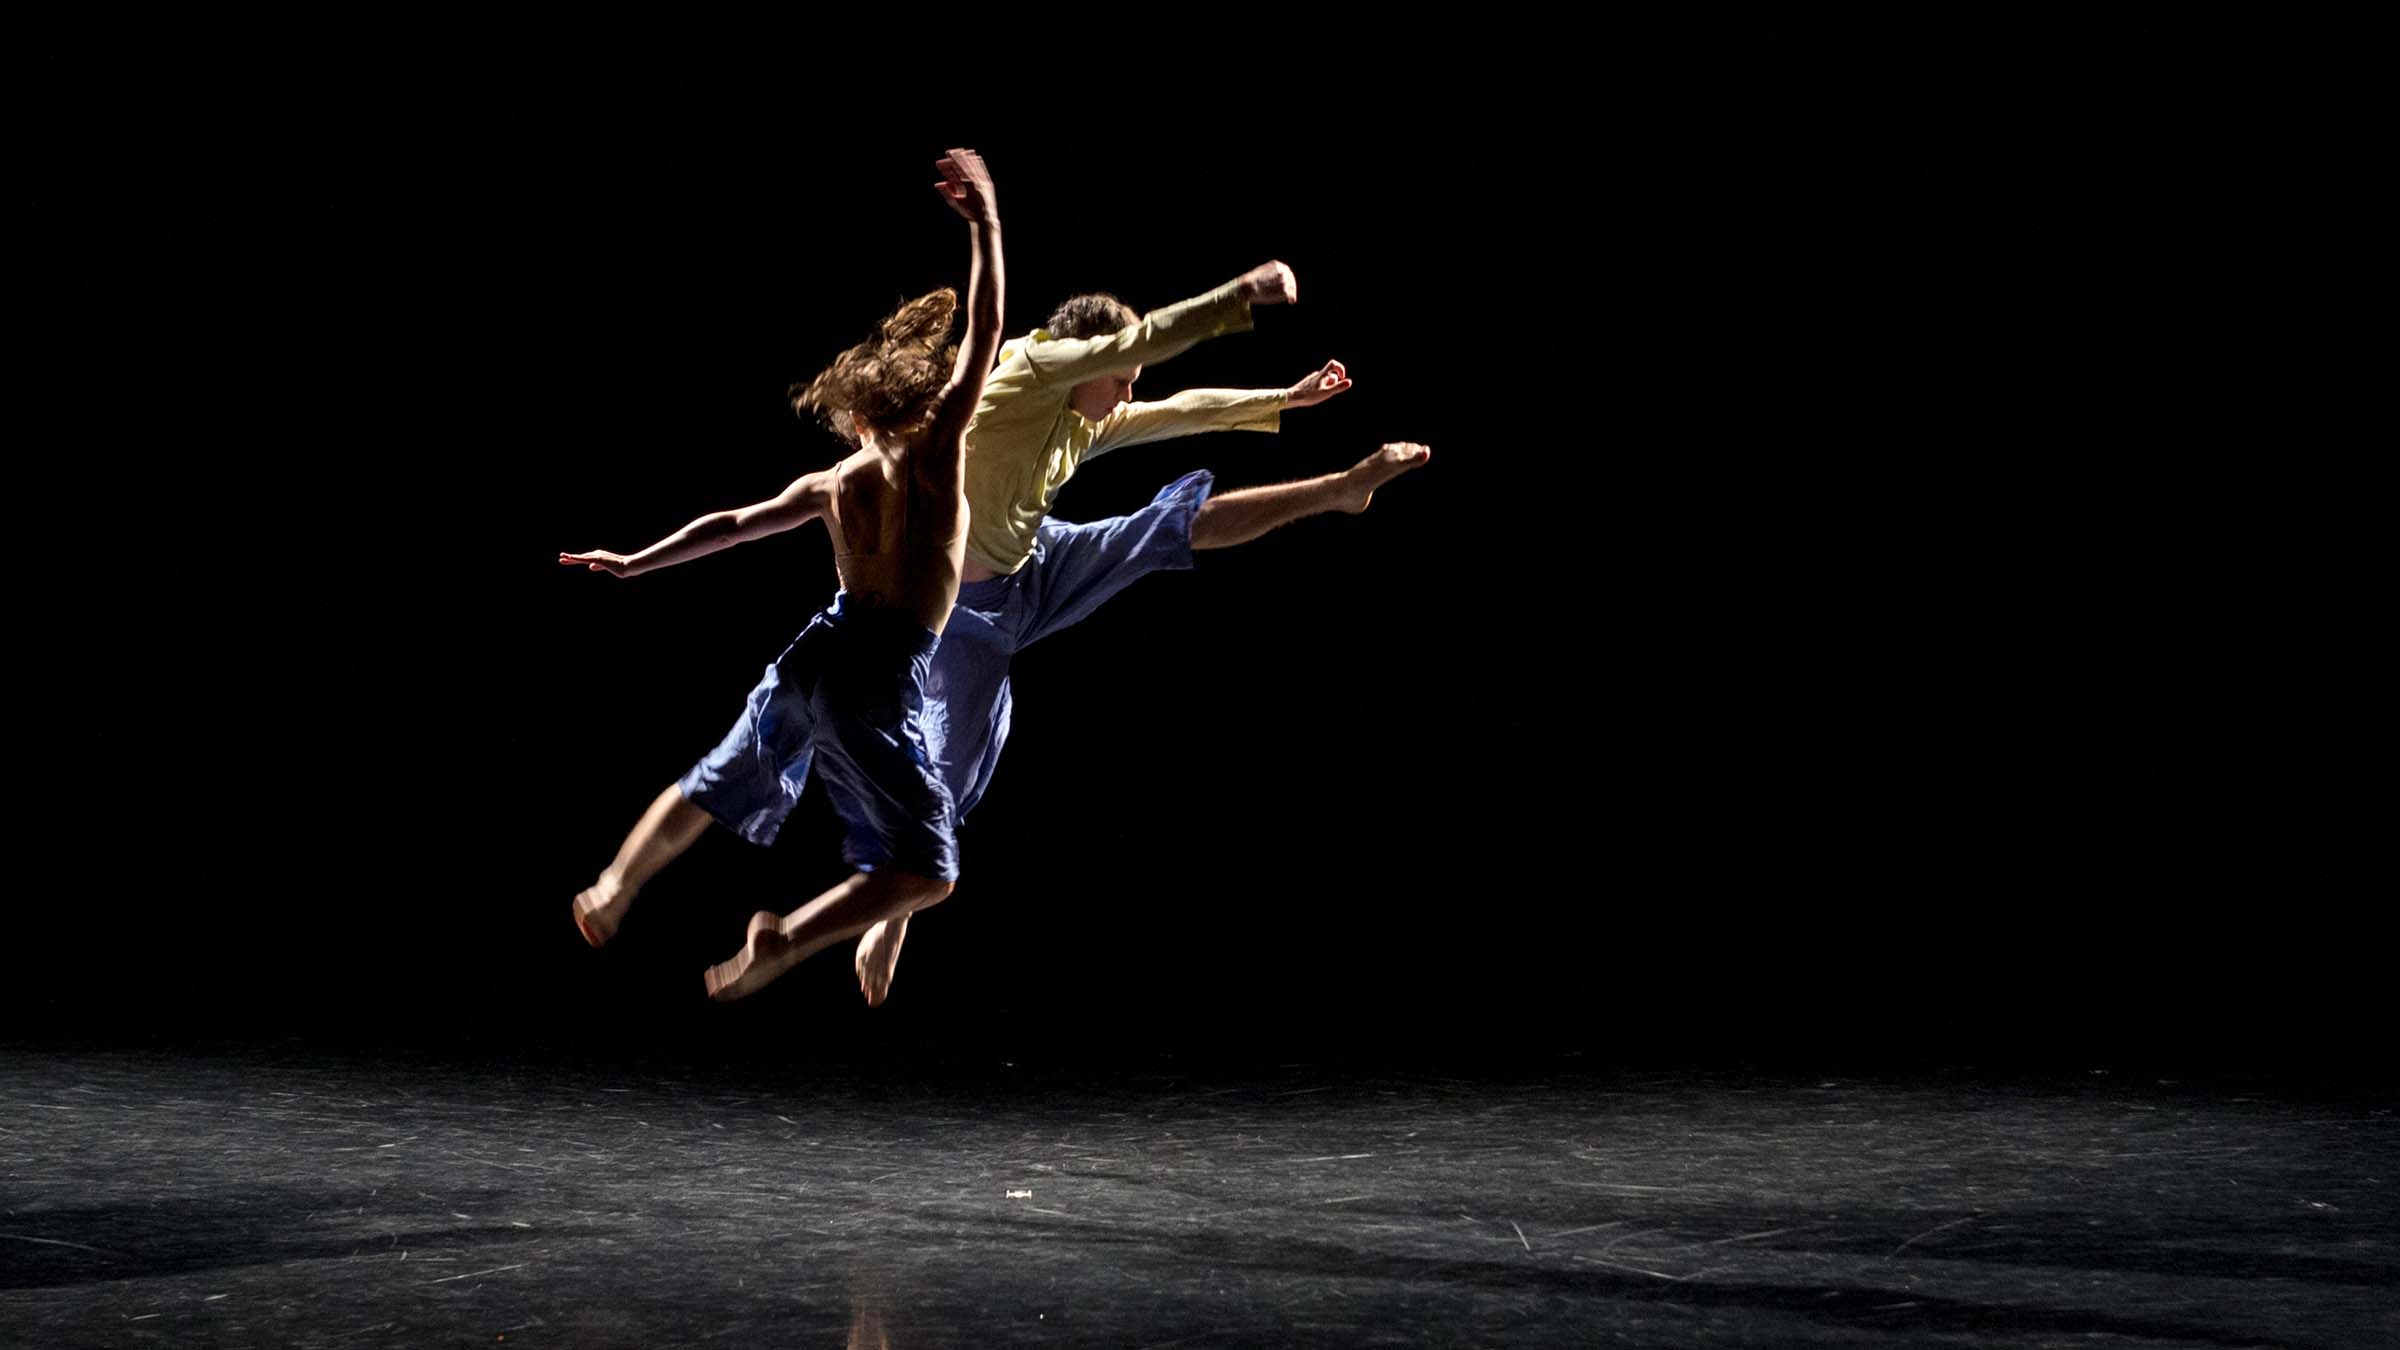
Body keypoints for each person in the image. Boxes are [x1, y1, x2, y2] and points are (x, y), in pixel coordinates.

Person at [558, 147, 1004, 1002]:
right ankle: (786, 941)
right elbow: (984, 332)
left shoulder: (831, 484)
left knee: (713, 779)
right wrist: (984, 223)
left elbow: (730, 525)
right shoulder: (933, 461)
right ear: (926, 403)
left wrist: (635, 561)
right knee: (930, 870)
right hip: (876, 673)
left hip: (819, 649)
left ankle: (614, 887)